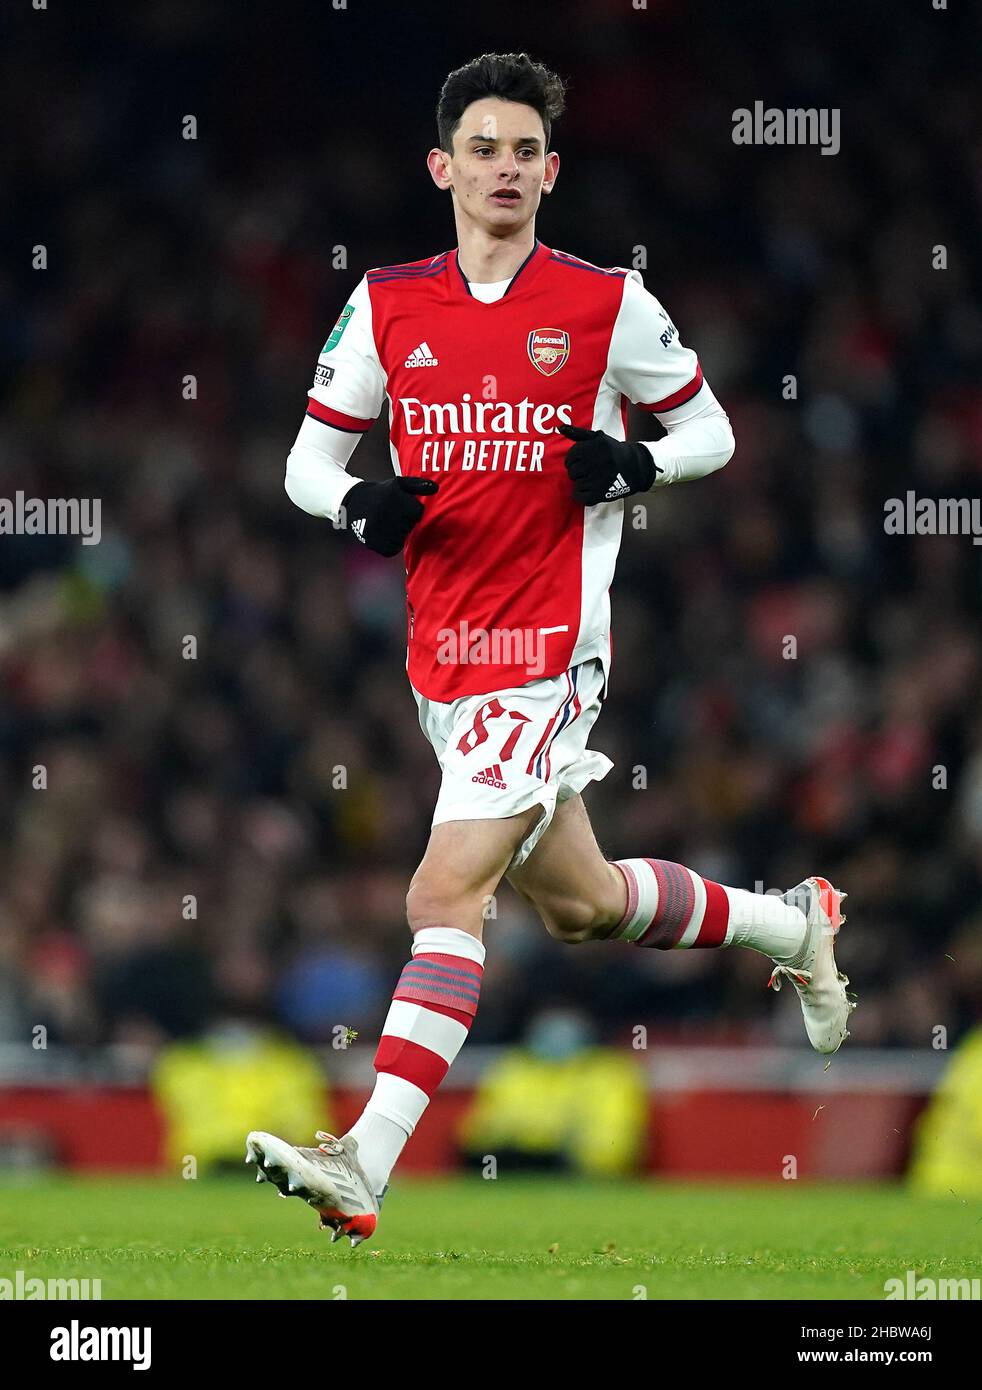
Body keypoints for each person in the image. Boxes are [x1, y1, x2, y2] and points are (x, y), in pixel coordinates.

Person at [246, 52, 855, 1246]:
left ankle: (364, 1158)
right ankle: (794, 922)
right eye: (483, 147)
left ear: (551, 171)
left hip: (551, 642)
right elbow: (306, 462)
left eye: (525, 150)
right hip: (445, 653)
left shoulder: (606, 304)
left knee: (440, 890)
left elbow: (714, 432)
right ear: (443, 167)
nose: (505, 167)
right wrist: (353, 504)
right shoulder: (384, 304)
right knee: (579, 903)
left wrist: (636, 464)